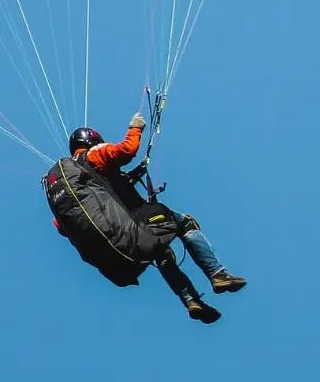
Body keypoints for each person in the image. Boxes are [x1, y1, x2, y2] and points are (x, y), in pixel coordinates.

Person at [68, 113, 247, 324]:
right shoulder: (94, 154)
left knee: (160, 251)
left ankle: (192, 301)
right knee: (184, 223)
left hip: (121, 237)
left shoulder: (75, 182)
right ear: (91, 140)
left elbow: (64, 224)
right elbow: (127, 150)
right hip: (136, 219)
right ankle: (218, 275)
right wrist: (136, 127)